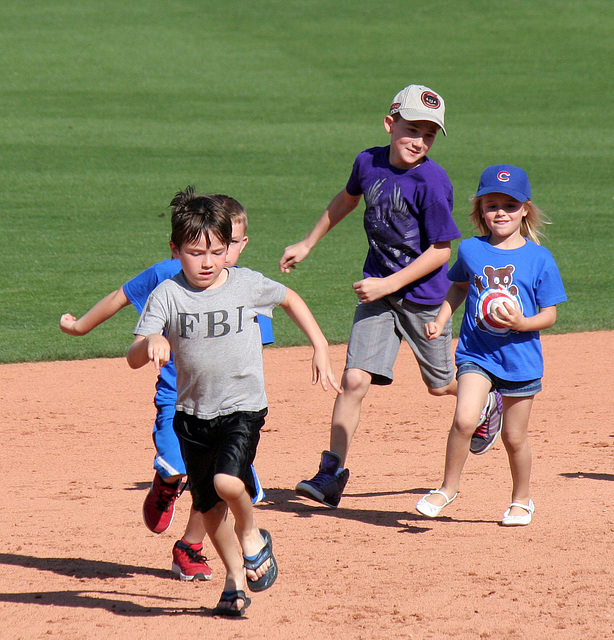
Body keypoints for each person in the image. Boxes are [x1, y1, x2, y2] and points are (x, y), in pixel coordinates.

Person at [279, 83, 502, 509]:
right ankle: (331, 474)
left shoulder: (432, 181)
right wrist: (308, 242)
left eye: (429, 134)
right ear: (389, 123)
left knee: (440, 386)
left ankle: (486, 398)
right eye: (412, 129)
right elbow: (345, 200)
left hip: (424, 300)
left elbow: (441, 251)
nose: (419, 140)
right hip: (378, 295)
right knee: (354, 380)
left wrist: (388, 283)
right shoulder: (368, 162)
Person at [128, 187, 341, 616]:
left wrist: (319, 345)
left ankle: (254, 536)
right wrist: (151, 339)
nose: (207, 262)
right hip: (192, 415)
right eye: (195, 252)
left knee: (229, 484)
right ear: (175, 250)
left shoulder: (245, 283)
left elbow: (290, 299)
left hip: (242, 408)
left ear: (230, 248)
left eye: (217, 251)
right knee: (208, 509)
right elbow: (133, 356)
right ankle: (234, 580)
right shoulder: (167, 295)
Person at [60, 194, 272, 582]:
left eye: (235, 244)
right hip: (179, 398)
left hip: (226, 404)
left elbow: (253, 349)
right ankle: (167, 481)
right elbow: (120, 297)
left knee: (220, 485)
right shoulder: (166, 276)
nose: (223, 255)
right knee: (180, 466)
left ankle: (191, 546)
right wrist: (80, 327)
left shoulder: (243, 289)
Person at [415, 165, 566, 525]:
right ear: (480, 209)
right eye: (492, 204)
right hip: (476, 354)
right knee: (465, 419)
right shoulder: (470, 250)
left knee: (515, 438)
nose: (501, 212)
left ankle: (522, 499)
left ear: (525, 209)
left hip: (520, 360)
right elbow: (458, 286)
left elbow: (550, 314)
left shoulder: (539, 258)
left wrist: (522, 324)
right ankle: (447, 488)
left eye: (510, 205)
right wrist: (440, 319)